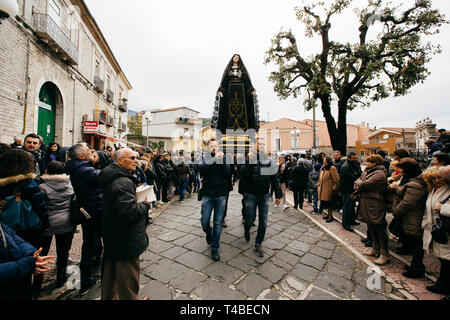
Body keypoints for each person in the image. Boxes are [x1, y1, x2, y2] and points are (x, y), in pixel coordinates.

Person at [99, 148, 151, 300]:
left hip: (113, 234)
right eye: (132, 158)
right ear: (120, 160)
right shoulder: (123, 182)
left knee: (110, 276)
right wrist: (146, 206)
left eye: (137, 157)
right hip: (125, 238)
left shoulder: (112, 176)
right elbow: (129, 213)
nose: (136, 161)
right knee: (128, 278)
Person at [65, 143, 103, 295]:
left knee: (90, 243)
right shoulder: (85, 169)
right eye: (88, 151)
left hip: (87, 210)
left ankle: (86, 279)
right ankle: (85, 281)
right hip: (94, 211)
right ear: (81, 156)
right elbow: (104, 177)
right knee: (89, 244)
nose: (91, 152)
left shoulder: (78, 168)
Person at [33, 161, 75, 295]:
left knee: (42, 253)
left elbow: (39, 206)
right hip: (66, 222)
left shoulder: (42, 186)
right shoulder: (69, 184)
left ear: (46, 171)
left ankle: (38, 283)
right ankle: (61, 279)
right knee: (63, 252)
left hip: (48, 224)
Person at [240, 139, 282, 258]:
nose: (262, 146)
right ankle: (247, 228)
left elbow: (274, 178)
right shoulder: (248, 158)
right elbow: (243, 174)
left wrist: (278, 195)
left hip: (264, 195)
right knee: (250, 218)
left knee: (263, 221)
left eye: (263, 144)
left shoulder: (269, 160)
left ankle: (258, 243)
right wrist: (250, 160)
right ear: (254, 145)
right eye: (259, 144)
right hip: (250, 194)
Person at [0, 149, 49, 249]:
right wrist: (46, 223)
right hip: (25, 226)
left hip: (4, 225)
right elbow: (39, 205)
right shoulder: (27, 182)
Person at [390, 158, 428, 278]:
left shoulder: (415, 184)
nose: (399, 170)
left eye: (401, 168)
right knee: (414, 243)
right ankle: (415, 265)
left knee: (416, 244)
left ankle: (416, 268)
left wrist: (396, 211)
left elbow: (408, 202)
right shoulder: (413, 181)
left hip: (413, 217)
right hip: (410, 216)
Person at [0, 223, 55, 300]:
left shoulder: (2, 226)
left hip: (19, 287)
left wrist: (32, 254)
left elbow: (14, 238)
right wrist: (27, 264)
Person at [199, 139, 231, 261]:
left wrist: (220, 161)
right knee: (204, 221)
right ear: (208, 148)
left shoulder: (224, 158)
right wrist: (213, 160)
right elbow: (202, 169)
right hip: (207, 193)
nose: (214, 148)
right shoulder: (204, 157)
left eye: (216, 146)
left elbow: (227, 173)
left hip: (221, 194)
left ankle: (215, 248)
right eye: (212, 146)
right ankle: (208, 232)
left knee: (218, 222)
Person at [355, 154, 389, 265]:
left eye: (369, 162)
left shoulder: (379, 173)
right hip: (367, 202)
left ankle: (384, 253)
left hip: (375, 203)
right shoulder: (369, 171)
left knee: (378, 227)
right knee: (371, 226)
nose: (366, 163)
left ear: (375, 163)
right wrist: (359, 183)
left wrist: (359, 183)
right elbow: (358, 182)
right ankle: (375, 247)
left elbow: (363, 184)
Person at [212, 54, 259, 133]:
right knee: (230, 110)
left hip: (241, 92)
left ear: (239, 59)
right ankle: (230, 129)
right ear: (232, 58)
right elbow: (225, 81)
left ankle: (243, 129)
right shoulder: (228, 69)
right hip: (230, 92)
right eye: (235, 57)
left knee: (241, 109)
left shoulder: (242, 69)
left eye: (238, 57)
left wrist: (251, 89)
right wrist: (221, 90)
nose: (236, 58)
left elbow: (246, 80)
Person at [422, 165, 450, 296]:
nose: (438, 180)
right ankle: (441, 284)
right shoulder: (432, 190)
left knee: (447, 260)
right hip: (436, 230)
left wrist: (442, 208)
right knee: (443, 260)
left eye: (440, 177)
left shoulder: (447, 190)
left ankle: (443, 286)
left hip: (446, 230)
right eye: (434, 178)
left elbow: (440, 208)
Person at [339, 152, 363, 232]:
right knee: (347, 207)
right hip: (346, 190)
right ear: (348, 158)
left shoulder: (355, 164)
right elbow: (353, 178)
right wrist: (358, 176)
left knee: (352, 206)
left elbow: (360, 173)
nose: (355, 160)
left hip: (352, 190)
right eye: (353, 158)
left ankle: (352, 220)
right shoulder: (345, 167)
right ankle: (345, 223)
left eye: (356, 158)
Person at [317, 157, 340, 223]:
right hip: (323, 188)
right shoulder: (323, 168)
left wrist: (334, 188)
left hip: (329, 189)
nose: (323, 161)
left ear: (327, 161)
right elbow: (320, 177)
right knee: (326, 203)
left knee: (330, 203)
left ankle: (330, 216)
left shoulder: (332, 168)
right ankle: (328, 215)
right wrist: (318, 185)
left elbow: (336, 180)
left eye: (324, 160)